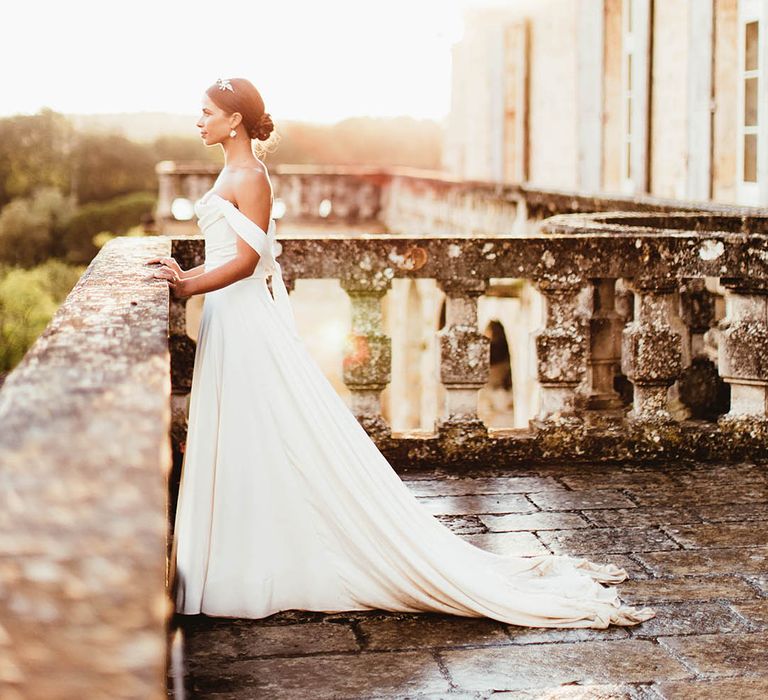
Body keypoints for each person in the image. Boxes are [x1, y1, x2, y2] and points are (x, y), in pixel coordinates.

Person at [145, 77, 656, 628]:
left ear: (234, 120)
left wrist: (192, 288)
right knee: (242, 432)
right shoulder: (229, 171)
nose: (197, 120)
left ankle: (260, 562)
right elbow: (228, 254)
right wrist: (186, 275)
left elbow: (248, 263)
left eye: (205, 112)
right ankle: (235, 555)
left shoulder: (251, 175)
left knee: (269, 429)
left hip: (243, 320)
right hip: (228, 317)